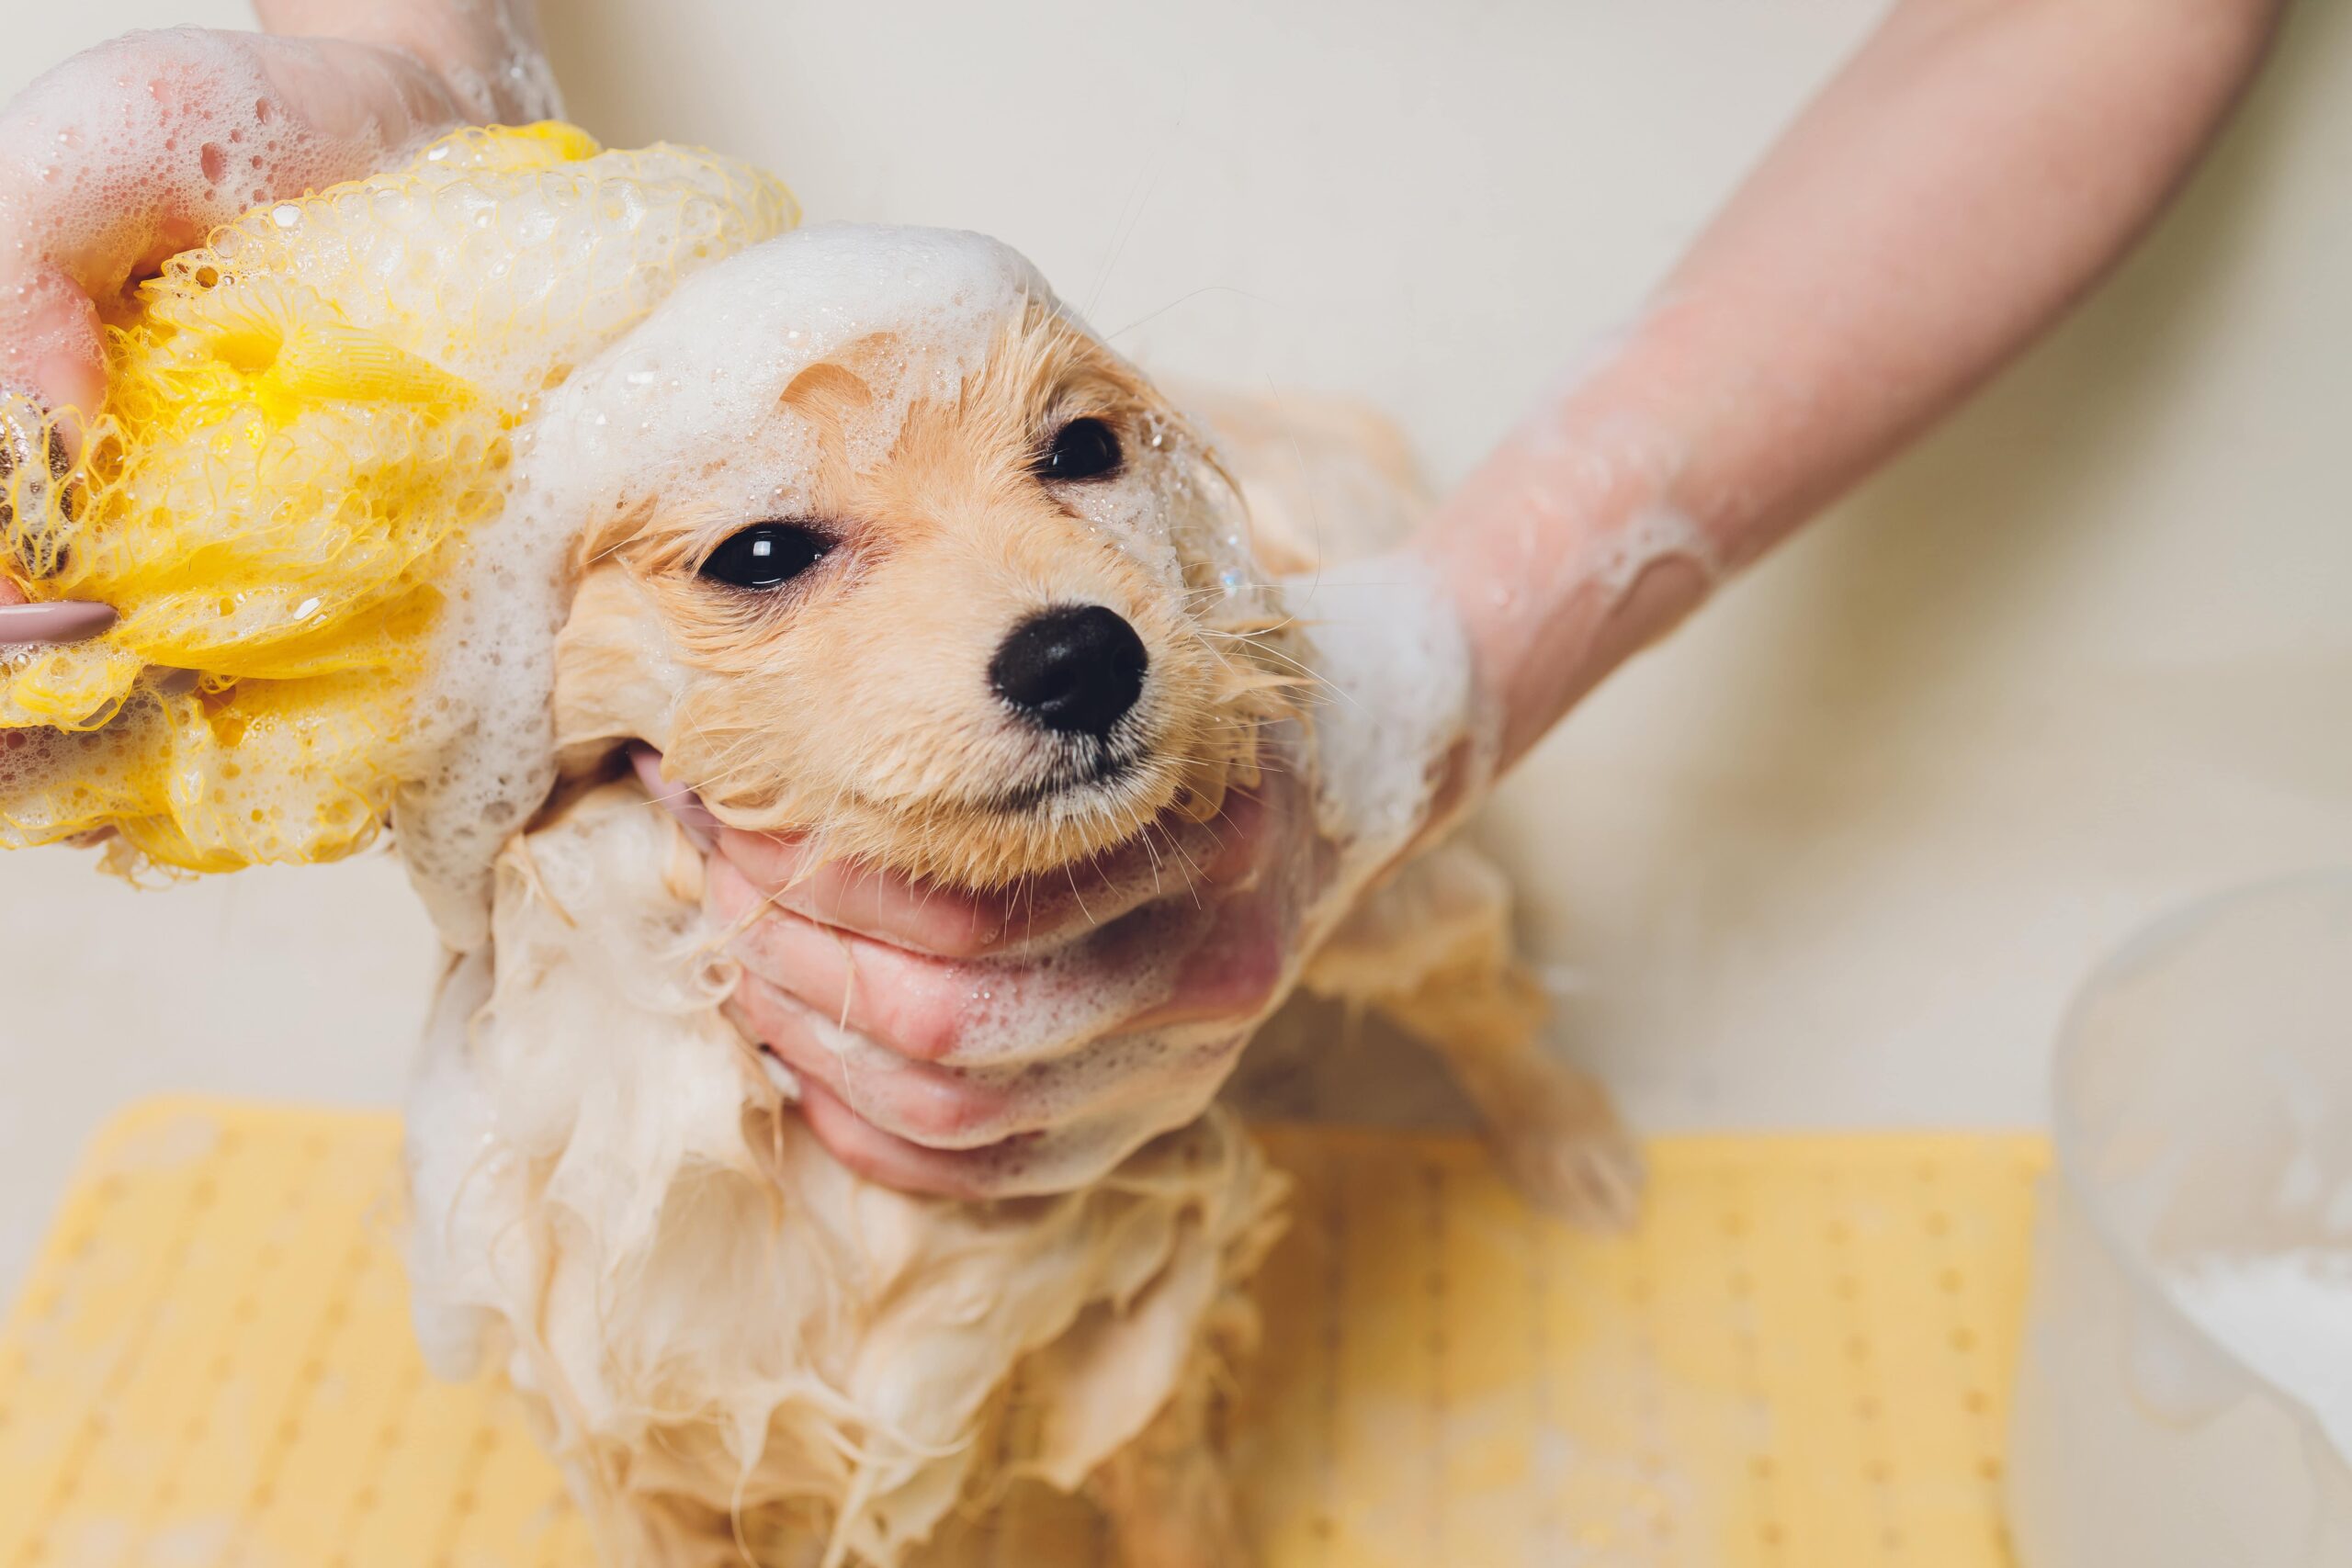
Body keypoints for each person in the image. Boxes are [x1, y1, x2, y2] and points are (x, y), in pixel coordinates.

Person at [0, 0, 2286, 1193]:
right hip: (732, 221)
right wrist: (412, 117)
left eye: (1090, 458)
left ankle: (1493, 1052)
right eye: (771, 552)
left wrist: (1446, 661)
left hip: (1746, 232)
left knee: (1406, 930)